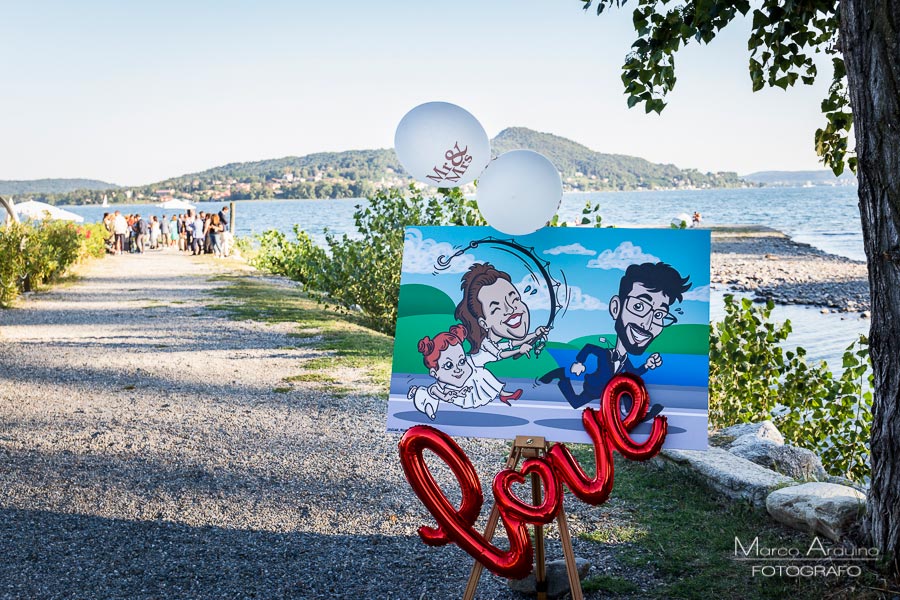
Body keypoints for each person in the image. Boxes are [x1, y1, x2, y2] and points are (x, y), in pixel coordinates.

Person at [539, 262, 691, 414]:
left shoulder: (626, 360)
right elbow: (589, 348)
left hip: (613, 391)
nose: (647, 324)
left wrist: (647, 365)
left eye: (659, 315)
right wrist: (579, 362)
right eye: (639, 306)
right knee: (576, 402)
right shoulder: (604, 353)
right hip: (595, 389)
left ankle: (640, 415)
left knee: (627, 391)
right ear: (616, 308)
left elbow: (635, 373)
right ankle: (561, 376)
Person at [407, 325, 513, 420]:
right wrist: (446, 397)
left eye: (462, 361)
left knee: (481, 372)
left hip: (461, 393)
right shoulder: (439, 385)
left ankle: (502, 393)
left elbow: (489, 357)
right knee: (428, 405)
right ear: (434, 373)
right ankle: (416, 393)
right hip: (428, 397)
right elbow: (434, 391)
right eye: (449, 365)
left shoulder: (470, 368)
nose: (458, 369)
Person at [455, 263, 549, 365]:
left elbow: (512, 343)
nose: (510, 309)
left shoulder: (495, 342)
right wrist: (519, 351)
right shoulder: (486, 344)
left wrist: (536, 334)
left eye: (515, 299)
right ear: (484, 323)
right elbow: (500, 355)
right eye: (496, 309)